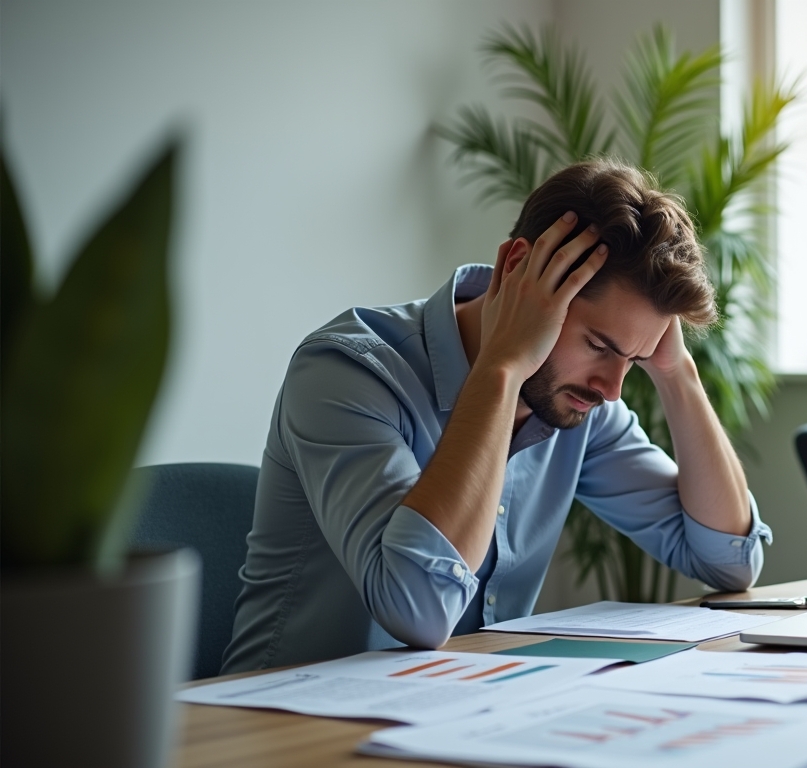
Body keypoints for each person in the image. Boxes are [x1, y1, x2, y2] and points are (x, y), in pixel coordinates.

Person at [222, 160, 771, 674]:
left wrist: (677, 374)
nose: (611, 389)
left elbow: (728, 560)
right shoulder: (346, 373)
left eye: (635, 357)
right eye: (600, 344)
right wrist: (502, 368)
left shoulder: (579, 399)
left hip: (458, 711)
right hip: (281, 724)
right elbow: (420, 610)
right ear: (517, 272)